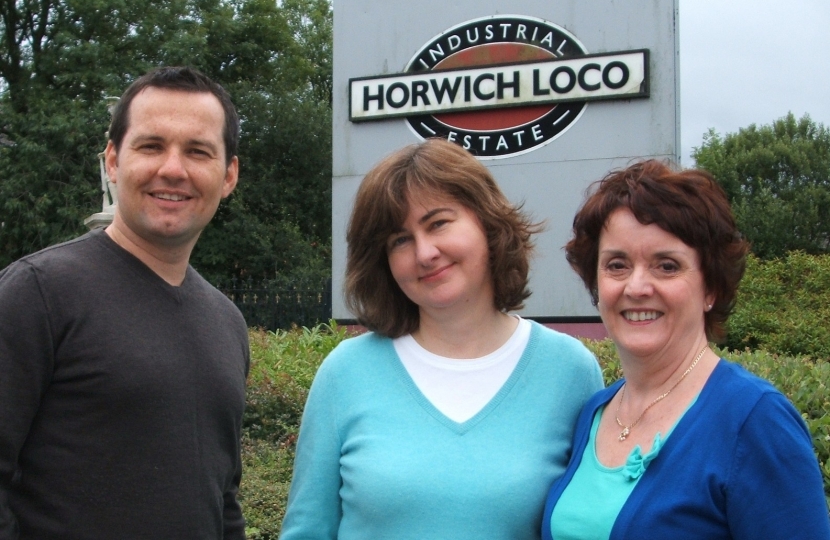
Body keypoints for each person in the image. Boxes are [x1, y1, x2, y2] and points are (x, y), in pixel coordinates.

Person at [279, 138, 603, 540]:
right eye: (400, 240)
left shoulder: (570, 371)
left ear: (487, 223)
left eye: (438, 223)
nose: (425, 252)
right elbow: (307, 531)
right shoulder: (345, 373)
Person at [0, 66, 249, 539]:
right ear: (113, 161)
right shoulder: (37, 294)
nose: (173, 169)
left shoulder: (227, 323)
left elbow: (223, 501)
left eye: (198, 151)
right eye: (151, 146)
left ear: (228, 175)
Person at [542, 160, 830, 539]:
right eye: (617, 265)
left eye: (666, 266)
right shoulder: (595, 413)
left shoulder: (755, 421)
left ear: (710, 287)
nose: (637, 286)